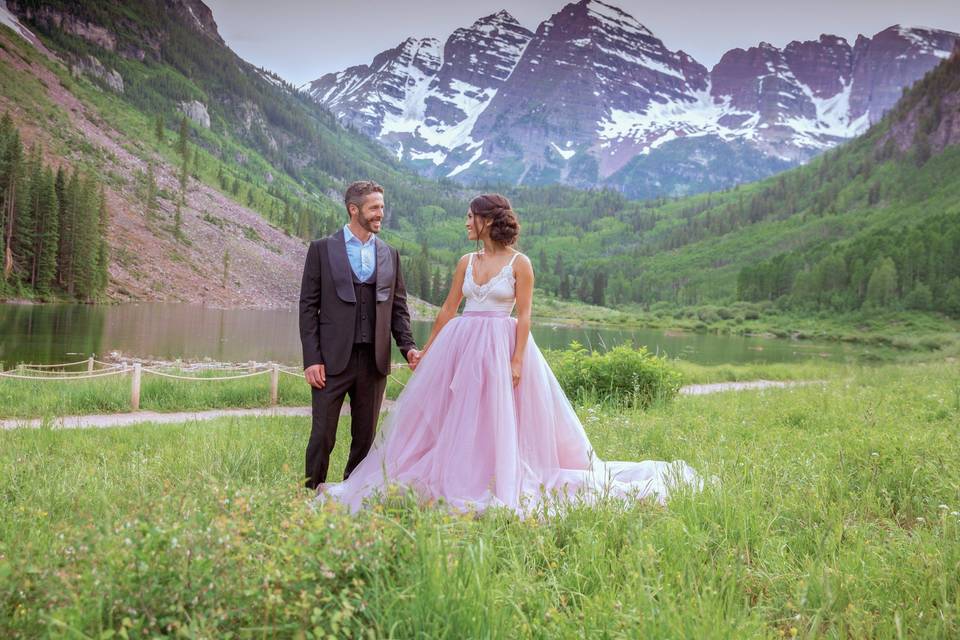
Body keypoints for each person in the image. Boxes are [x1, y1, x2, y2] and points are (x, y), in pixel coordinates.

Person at [316, 193, 699, 515]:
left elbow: (525, 313)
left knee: (497, 413)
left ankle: (496, 477)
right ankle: (451, 471)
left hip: (501, 343)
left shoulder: (520, 264)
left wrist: (516, 359)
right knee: (457, 412)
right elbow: (449, 310)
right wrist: (426, 352)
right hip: (461, 345)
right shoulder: (467, 262)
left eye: (470, 217)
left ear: (486, 221)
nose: (466, 223)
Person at [298, 180, 420, 490]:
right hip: (331, 360)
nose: (381, 213)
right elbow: (308, 308)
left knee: (364, 436)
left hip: (374, 362)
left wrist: (407, 347)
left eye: (382, 206)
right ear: (355, 210)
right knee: (323, 433)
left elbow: (398, 309)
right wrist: (312, 359)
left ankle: (352, 496)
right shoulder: (322, 249)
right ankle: (311, 492)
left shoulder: (390, 254)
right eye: (374, 208)